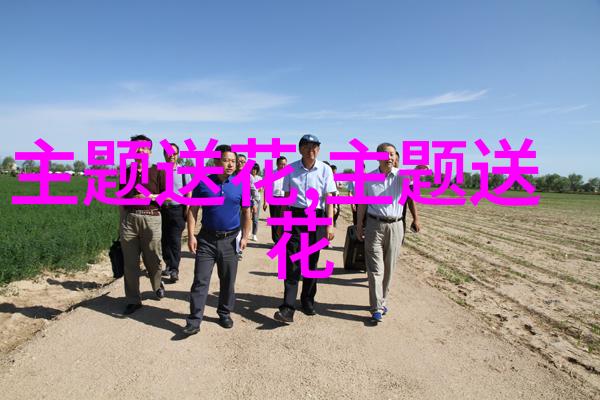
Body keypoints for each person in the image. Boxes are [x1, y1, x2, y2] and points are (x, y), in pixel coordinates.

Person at [182, 144, 251, 335]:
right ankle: (194, 320)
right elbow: (193, 210)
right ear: (216, 161)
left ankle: (224, 313)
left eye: (233, 161)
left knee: (228, 280)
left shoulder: (241, 184)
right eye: (226, 160)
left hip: (230, 240)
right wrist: (191, 235)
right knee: (200, 280)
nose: (230, 165)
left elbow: (247, 213)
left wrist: (245, 237)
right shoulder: (203, 182)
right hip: (207, 239)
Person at [273, 134, 336, 323]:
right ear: (300, 149)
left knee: (311, 262)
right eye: (307, 146)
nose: (311, 150)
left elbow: (329, 199)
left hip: (316, 218)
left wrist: (329, 224)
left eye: (315, 146)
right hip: (294, 217)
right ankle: (287, 307)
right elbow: (286, 198)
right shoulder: (291, 169)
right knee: (291, 262)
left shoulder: (325, 169)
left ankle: (308, 300)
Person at [356, 142, 421, 324]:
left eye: (392, 154)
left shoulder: (401, 176)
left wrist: (420, 168)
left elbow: (414, 178)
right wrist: (359, 225)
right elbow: (362, 204)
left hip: (396, 226)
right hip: (374, 225)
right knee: (375, 269)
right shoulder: (368, 179)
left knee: (389, 268)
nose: (390, 158)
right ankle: (376, 307)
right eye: (386, 154)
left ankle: (382, 300)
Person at [119, 134, 166, 315]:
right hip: (130, 219)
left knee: (153, 258)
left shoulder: (159, 171)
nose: (140, 150)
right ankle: (133, 299)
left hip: (151, 218)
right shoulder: (126, 172)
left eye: (144, 147)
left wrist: (150, 197)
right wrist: (121, 223)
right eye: (136, 148)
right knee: (130, 263)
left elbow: (167, 195)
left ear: (150, 151)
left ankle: (157, 284)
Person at [160, 142, 191, 283]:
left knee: (175, 240)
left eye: (174, 153)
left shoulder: (183, 171)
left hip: (177, 210)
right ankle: (168, 264)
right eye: (168, 153)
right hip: (161, 210)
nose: (171, 155)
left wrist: (187, 208)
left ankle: (174, 269)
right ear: (164, 154)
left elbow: (189, 191)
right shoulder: (159, 170)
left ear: (178, 155)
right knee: (164, 240)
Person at [262, 156, 287, 243]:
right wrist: (265, 202)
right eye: (281, 164)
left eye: (284, 164)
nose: (283, 166)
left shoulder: (288, 175)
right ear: (277, 164)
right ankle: (276, 240)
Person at [250, 163, 262, 242]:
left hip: (257, 200)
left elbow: (260, 189)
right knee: (247, 217)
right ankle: (247, 230)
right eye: (252, 169)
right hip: (248, 199)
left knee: (255, 218)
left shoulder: (259, 178)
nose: (253, 170)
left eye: (255, 169)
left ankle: (254, 234)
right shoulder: (247, 177)